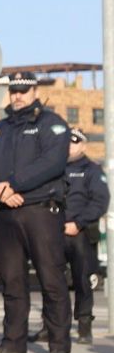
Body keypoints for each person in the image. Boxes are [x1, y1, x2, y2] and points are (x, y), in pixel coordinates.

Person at [0, 72, 72, 353]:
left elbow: (52, 163)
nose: (18, 95)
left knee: (51, 279)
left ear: (35, 91)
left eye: (23, 90)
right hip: (6, 211)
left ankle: (59, 346)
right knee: (11, 281)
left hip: (40, 210)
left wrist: (14, 184)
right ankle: (14, 344)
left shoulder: (52, 124)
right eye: (14, 90)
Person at [64, 129, 108, 342]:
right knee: (53, 282)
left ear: (83, 145)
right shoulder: (54, 168)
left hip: (80, 233)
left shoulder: (92, 170)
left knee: (83, 280)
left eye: (74, 143)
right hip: (55, 231)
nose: (69, 146)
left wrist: (78, 223)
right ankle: (51, 325)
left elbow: (100, 201)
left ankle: (84, 326)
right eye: (67, 142)